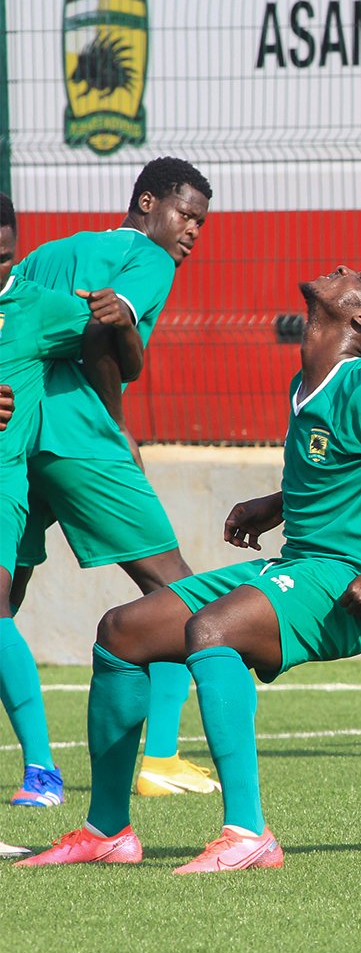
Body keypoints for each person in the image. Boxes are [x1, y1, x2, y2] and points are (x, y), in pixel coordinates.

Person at [19, 266, 361, 872]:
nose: (342, 269)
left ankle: (249, 834)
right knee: (120, 633)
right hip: (298, 565)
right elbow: (351, 473)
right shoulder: (306, 381)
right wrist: (277, 502)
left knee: (211, 631)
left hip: (343, 586)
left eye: (357, 276)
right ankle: (107, 830)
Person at [6, 157, 214, 806]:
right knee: (184, 593)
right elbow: (106, 332)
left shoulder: (48, 254)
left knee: (3, 608)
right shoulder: (149, 260)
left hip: (20, 442)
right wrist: (120, 427)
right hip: (82, 443)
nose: (193, 233)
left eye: (202, 223)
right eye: (186, 215)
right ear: (147, 202)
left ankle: (40, 771)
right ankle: (159, 756)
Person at [0, 193, 135, 808]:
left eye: (5, 258)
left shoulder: (33, 307)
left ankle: (42, 771)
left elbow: (104, 337)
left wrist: (111, 423)